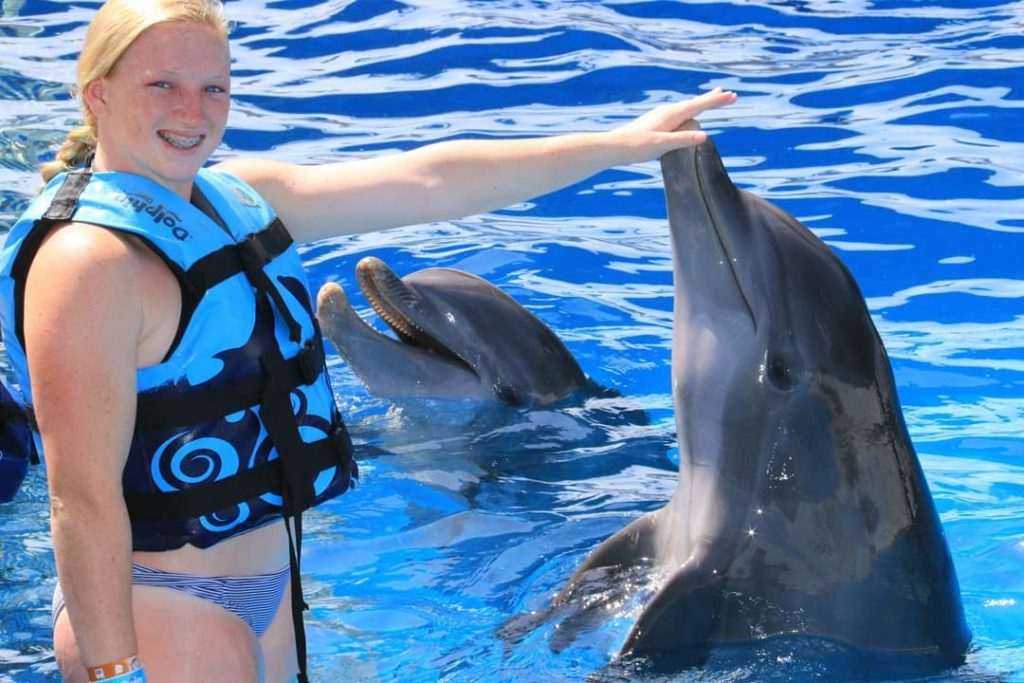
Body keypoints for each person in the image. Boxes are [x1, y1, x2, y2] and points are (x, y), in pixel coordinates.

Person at [0, 0, 737, 681]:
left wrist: (619, 145)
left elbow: (428, 179)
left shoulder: (236, 198)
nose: (193, 111)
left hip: (267, 588)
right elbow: (81, 499)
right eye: (162, 84)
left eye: (214, 88)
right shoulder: (88, 264)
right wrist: (115, 672)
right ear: (97, 93)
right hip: (161, 602)